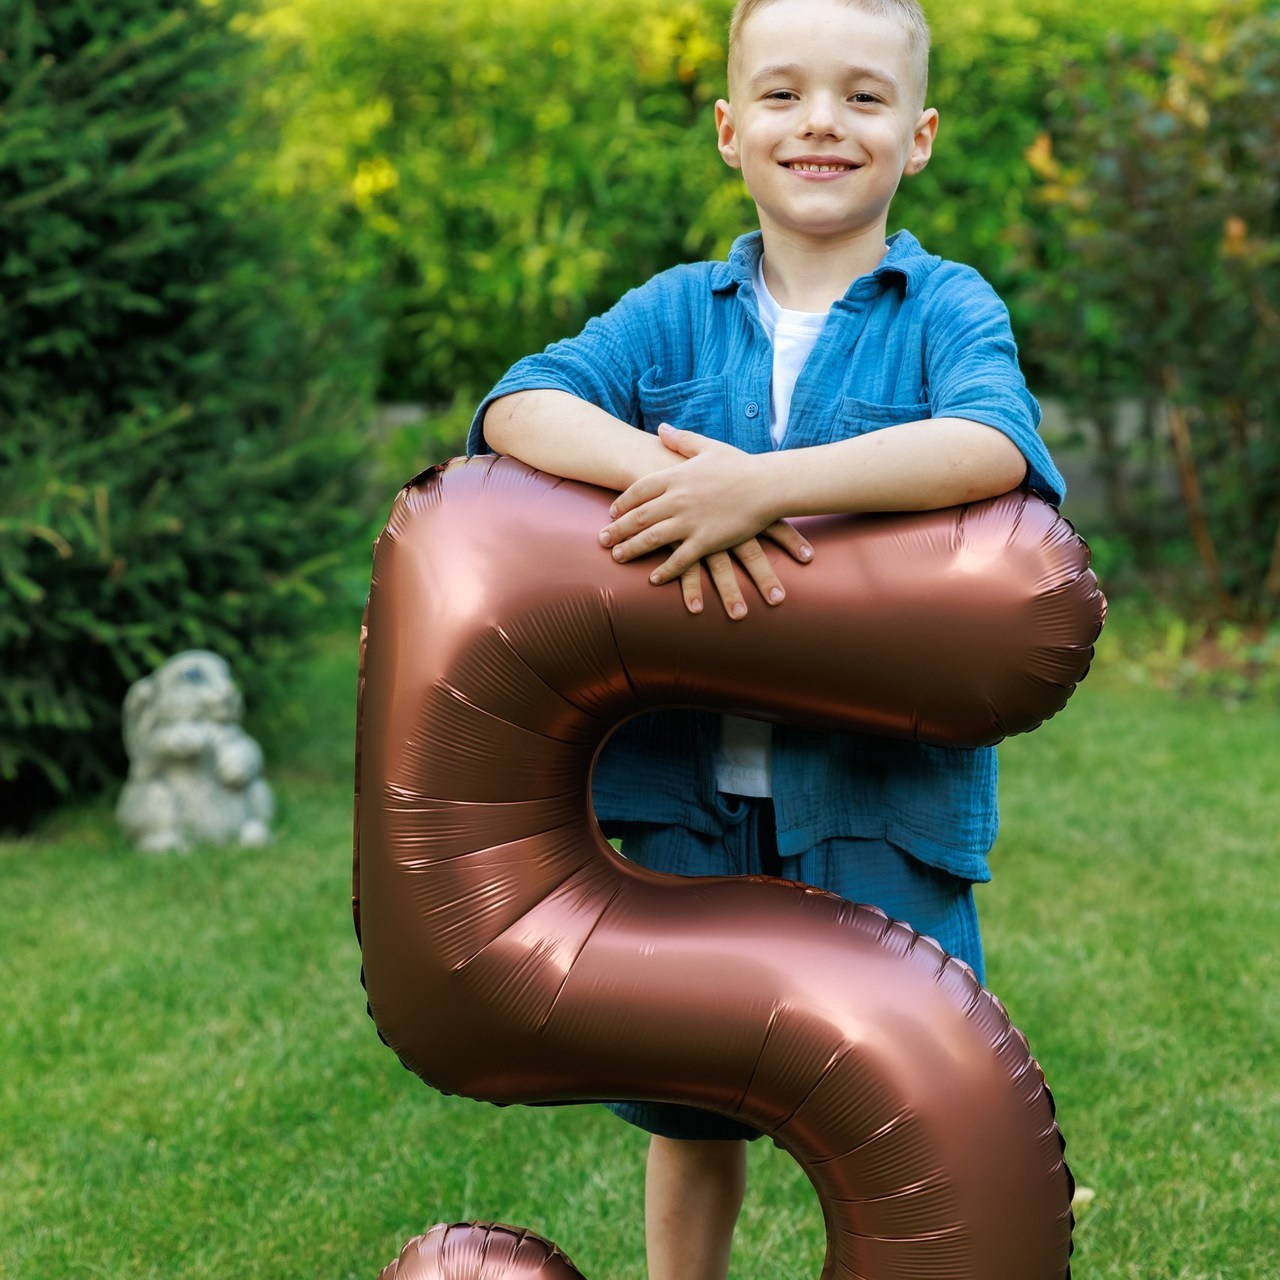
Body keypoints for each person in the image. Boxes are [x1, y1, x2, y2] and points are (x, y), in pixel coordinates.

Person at [466, 0, 1065, 1276]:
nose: (820, 123)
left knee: (914, 1084)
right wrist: (670, 479)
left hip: (879, 807)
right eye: (782, 94)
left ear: (918, 136)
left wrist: (762, 487)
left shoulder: (943, 307)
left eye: (862, 95)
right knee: (690, 1110)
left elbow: (990, 443)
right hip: (688, 796)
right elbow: (519, 404)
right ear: (729, 129)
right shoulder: (673, 315)